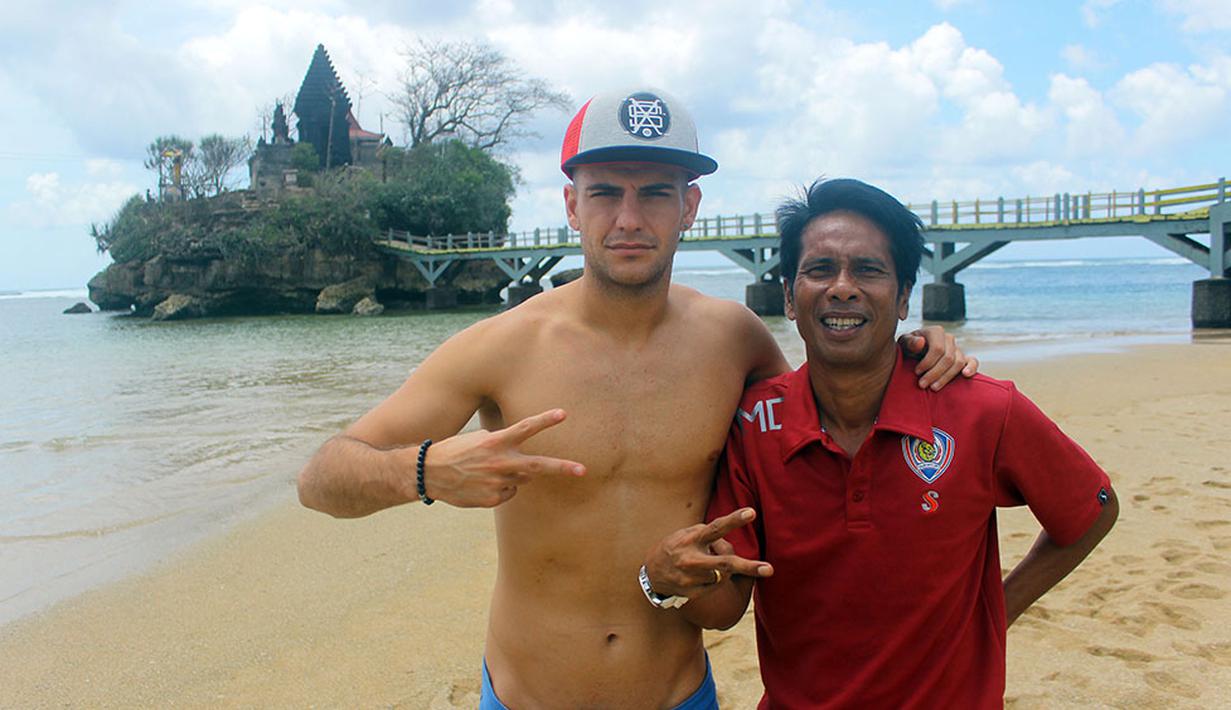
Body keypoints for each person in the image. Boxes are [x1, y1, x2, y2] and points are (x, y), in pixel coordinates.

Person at [297, 91, 974, 709]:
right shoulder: (498, 347)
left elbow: (824, 416)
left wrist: (916, 350)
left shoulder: (731, 340)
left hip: (677, 694)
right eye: (603, 193)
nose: (628, 219)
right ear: (571, 205)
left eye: (654, 193)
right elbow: (321, 478)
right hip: (525, 696)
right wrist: (425, 471)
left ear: (689, 206)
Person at [643, 178, 1119, 709]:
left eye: (867, 270)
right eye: (820, 269)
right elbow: (728, 605)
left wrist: (995, 613)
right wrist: (667, 583)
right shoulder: (755, 424)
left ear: (904, 296)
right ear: (788, 297)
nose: (842, 287)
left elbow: (1091, 510)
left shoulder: (982, 408)